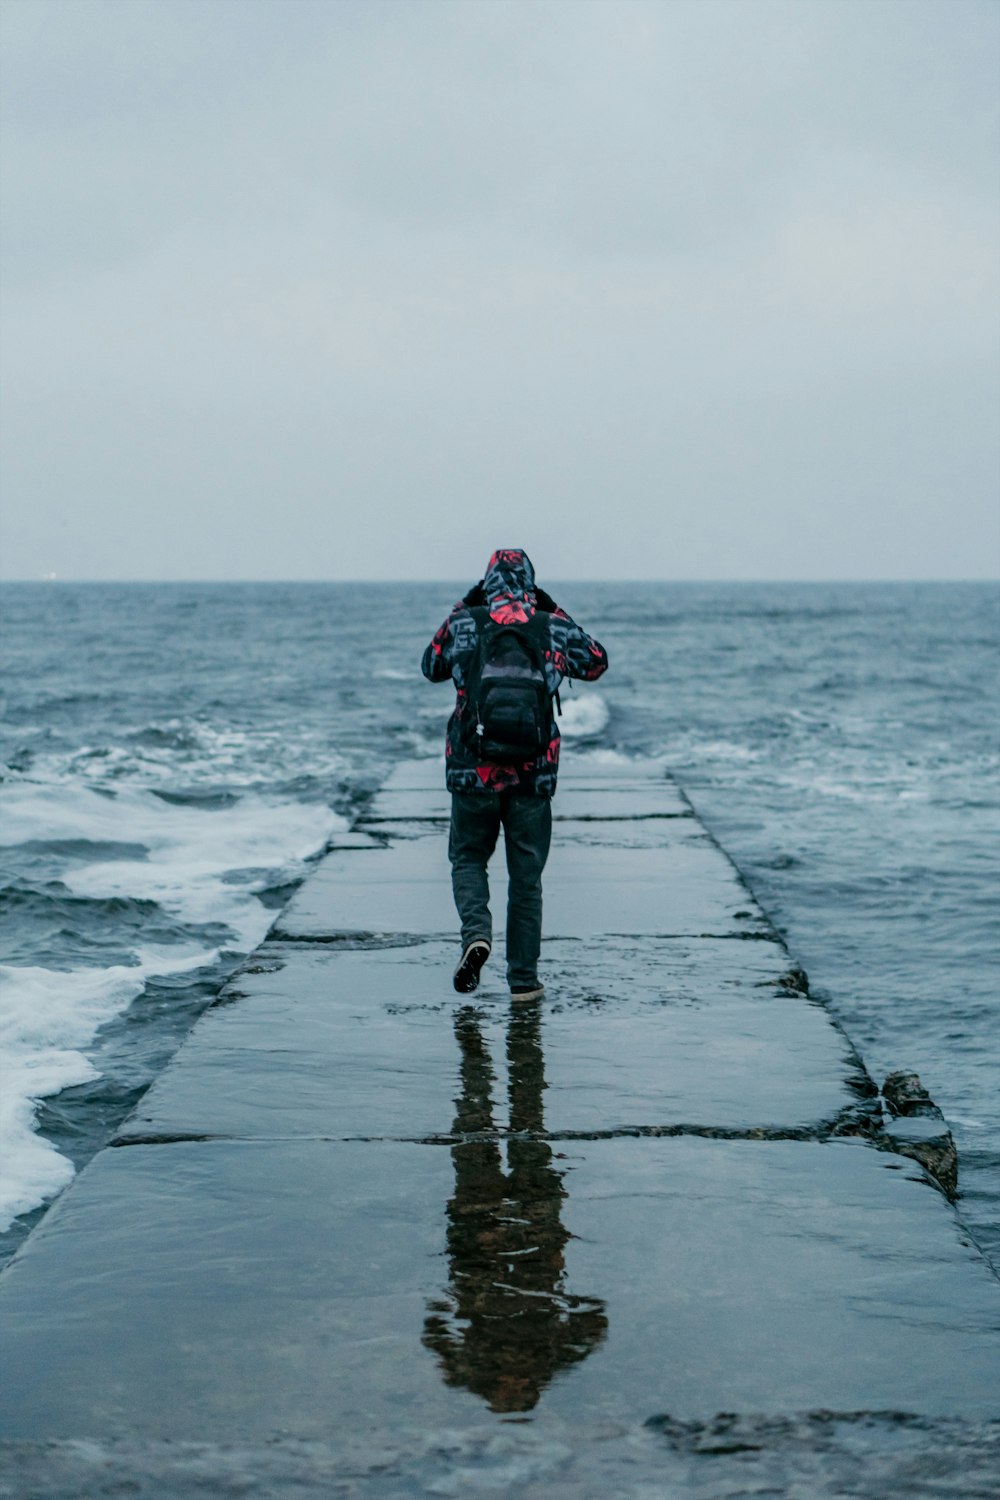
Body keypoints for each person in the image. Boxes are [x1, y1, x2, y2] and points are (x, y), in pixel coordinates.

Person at [421, 548, 608, 1000]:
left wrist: (467, 606)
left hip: (472, 769)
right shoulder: (551, 625)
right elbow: (597, 662)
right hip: (533, 774)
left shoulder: (465, 621)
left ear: (486, 583)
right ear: (531, 581)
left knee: (468, 858)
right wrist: (551, 608)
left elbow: (431, 666)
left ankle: (476, 936)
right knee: (526, 879)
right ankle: (523, 982)